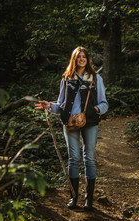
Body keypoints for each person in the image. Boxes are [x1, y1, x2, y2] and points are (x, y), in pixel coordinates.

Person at [35, 46, 108, 211]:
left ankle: (88, 201)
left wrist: (94, 110)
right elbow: (61, 105)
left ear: (87, 59)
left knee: (89, 158)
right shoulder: (67, 78)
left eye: (84, 56)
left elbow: (104, 104)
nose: (81, 59)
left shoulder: (96, 79)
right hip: (69, 123)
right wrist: (49, 106)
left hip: (89, 123)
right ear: (74, 59)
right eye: (78, 56)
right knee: (73, 159)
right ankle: (74, 197)